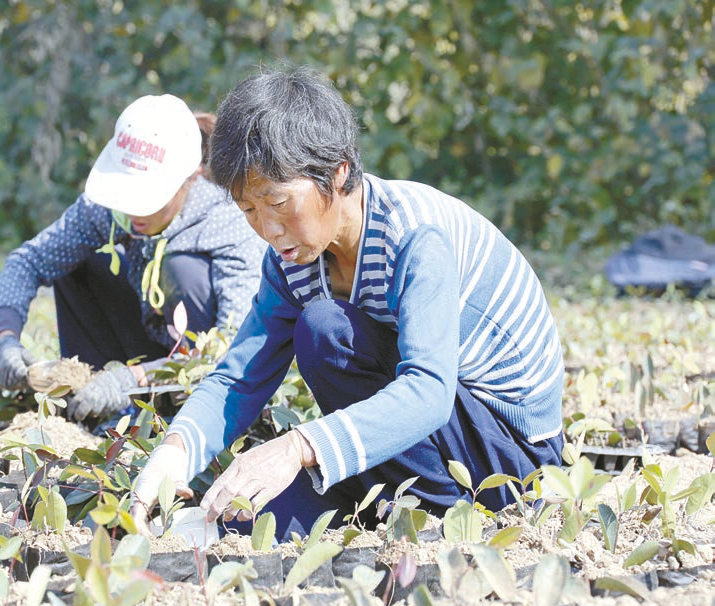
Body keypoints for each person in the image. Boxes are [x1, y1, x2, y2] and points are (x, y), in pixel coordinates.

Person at [129, 69, 565, 539]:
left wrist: (299, 446)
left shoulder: (416, 237)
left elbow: (429, 392)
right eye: (249, 211)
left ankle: (445, 517)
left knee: (324, 330)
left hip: (511, 458)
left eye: (276, 202)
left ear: (337, 172)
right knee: (237, 522)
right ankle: (393, 500)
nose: (268, 229)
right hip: (421, 445)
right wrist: (173, 454)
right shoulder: (292, 258)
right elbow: (240, 376)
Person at [0, 94, 266, 422]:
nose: (134, 210)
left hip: (194, 370)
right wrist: (5, 338)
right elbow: (28, 261)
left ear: (190, 177)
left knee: (183, 268)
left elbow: (233, 344)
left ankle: (171, 410)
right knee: (79, 260)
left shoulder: (227, 220)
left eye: (149, 200)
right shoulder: (106, 209)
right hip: (136, 344)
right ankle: (93, 405)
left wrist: (134, 378)